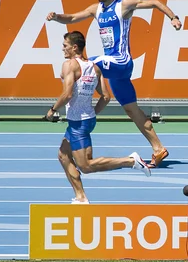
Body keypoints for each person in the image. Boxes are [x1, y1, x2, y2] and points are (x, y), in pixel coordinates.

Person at [46, 0, 182, 168]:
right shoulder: (96, 9)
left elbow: (156, 3)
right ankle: (158, 148)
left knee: (85, 63)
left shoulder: (124, 5)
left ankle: (76, 104)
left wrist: (173, 18)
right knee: (131, 110)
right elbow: (74, 17)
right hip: (115, 70)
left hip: (121, 61)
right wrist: (57, 17)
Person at [46, 31, 151, 204]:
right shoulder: (95, 67)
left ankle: (131, 161)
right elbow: (106, 97)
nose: (62, 49)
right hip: (85, 119)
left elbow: (67, 93)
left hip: (78, 123)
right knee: (63, 156)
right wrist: (92, 112)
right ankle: (81, 197)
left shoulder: (69, 65)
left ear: (74, 47)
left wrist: (52, 110)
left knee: (86, 166)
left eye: (65, 46)